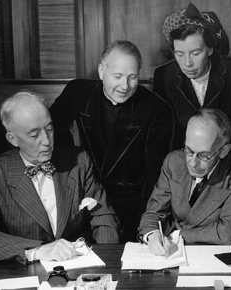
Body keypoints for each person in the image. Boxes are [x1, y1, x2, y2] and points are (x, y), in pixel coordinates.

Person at [49, 40, 173, 242]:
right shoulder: (77, 92)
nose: (125, 86)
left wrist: (146, 227)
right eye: (118, 76)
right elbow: (53, 128)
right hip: (87, 196)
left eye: (132, 77)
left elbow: (154, 175)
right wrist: (75, 163)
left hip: (132, 205)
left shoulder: (157, 109)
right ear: (101, 71)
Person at [0, 90, 119, 265]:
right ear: (13, 139)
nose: (46, 141)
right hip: (27, 270)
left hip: (81, 265)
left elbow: (103, 216)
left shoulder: (79, 160)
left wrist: (106, 260)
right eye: (34, 135)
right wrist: (36, 251)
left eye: (49, 129)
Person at [153, 3, 231, 165]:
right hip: (186, 160)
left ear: (210, 49)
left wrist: (230, 156)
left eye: (196, 53)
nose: (187, 63)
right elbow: (162, 132)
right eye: (179, 54)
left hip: (230, 156)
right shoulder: (164, 76)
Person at [139, 108, 231, 256]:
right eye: (188, 150)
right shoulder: (173, 161)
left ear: (224, 151)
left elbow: (227, 233)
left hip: (216, 255)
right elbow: (153, 213)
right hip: (173, 254)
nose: (192, 163)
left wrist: (177, 235)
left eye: (204, 155)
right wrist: (152, 235)